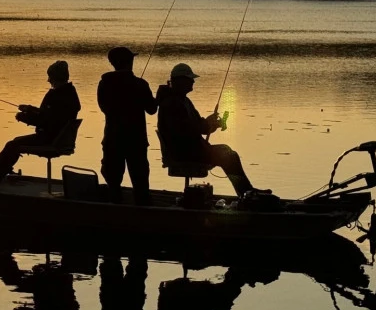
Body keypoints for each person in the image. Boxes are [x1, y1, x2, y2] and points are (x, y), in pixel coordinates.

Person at [156, 63, 268, 198]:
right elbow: (186, 131)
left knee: (227, 151)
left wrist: (213, 124)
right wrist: (207, 123)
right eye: (190, 79)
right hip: (184, 153)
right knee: (229, 156)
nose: (193, 82)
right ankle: (246, 193)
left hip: (190, 149)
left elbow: (198, 126)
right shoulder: (171, 103)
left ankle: (246, 191)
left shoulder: (183, 100)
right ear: (179, 81)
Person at [0, 60, 80, 188]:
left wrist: (24, 117)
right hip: (59, 138)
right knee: (15, 142)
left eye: (50, 77)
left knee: (12, 145)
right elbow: (49, 115)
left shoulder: (55, 96)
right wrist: (29, 109)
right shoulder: (70, 93)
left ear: (56, 78)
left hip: (50, 139)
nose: (48, 80)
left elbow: (45, 121)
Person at [96, 46, 158, 205]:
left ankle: (115, 209)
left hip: (112, 139)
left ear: (112, 63)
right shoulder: (140, 84)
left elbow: (104, 108)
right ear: (130, 62)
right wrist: (158, 97)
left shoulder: (103, 84)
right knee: (140, 181)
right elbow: (152, 109)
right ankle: (144, 211)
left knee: (113, 182)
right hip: (136, 140)